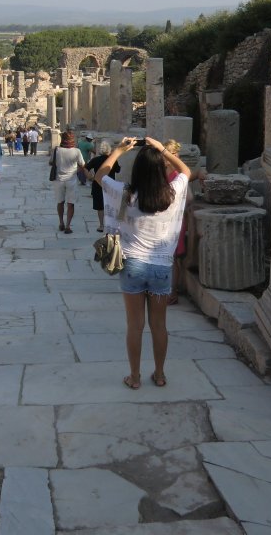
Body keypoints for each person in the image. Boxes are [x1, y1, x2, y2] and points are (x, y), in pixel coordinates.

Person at [93, 136, 190, 390]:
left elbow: (100, 175)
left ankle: (134, 377)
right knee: (159, 325)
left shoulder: (126, 195)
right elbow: (185, 171)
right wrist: (162, 150)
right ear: (161, 170)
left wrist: (118, 151)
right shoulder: (171, 193)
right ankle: (159, 375)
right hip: (161, 268)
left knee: (134, 326)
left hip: (133, 265)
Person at [50, 129, 85, 233]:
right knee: (71, 203)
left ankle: (61, 222)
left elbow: (51, 162)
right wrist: (76, 170)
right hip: (72, 180)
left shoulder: (57, 150)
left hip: (59, 179)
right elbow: (82, 165)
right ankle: (68, 226)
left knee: (60, 202)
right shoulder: (76, 151)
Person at [84, 139, 120, 232]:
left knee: (100, 206)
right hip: (110, 185)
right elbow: (118, 170)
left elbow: (86, 168)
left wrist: (90, 177)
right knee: (111, 205)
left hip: (97, 184)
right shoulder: (112, 160)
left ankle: (101, 225)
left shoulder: (95, 160)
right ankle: (111, 224)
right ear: (109, 150)